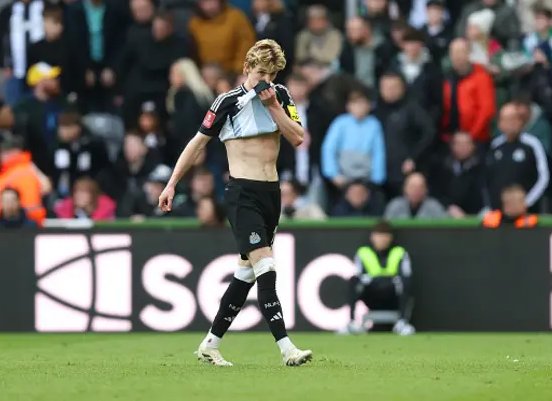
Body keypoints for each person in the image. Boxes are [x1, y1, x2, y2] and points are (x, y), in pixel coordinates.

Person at [158, 39, 311, 367]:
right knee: (265, 267)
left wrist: (273, 107)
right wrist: (172, 184)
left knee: (245, 274)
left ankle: (210, 344)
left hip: (272, 195)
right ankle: (286, 348)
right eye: (259, 74)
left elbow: (297, 137)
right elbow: (196, 144)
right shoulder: (227, 101)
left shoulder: (280, 96)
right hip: (243, 194)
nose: (264, 81)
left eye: (270, 75)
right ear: (246, 69)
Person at [340, 220, 415, 336]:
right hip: (371, 295)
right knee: (353, 281)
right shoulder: (363, 253)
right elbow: (357, 275)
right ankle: (352, 323)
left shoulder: (400, 253)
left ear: (390, 238)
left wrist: (385, 280)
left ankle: (402, 323)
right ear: (372, 237)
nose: (381, 239)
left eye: (384, 236)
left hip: (392, 295)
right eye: (378, 236)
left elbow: (406, 275)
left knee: (406, 282)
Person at [486, 103, 549, 212]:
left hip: (527, 212)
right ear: (500, 124)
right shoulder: (495, 146)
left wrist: (526, 202)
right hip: (498, 212)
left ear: (521, 122)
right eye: (506, 119)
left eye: (514, 119)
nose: (511, 123)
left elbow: (543, 178)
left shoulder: (532, 144)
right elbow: (488, 179)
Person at [0, 136, 49, 229]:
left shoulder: (9, 176)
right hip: (28, 228)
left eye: (4, 152)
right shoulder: (31, 170)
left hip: (12, 229)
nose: (0, 157)